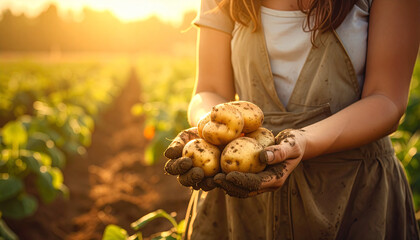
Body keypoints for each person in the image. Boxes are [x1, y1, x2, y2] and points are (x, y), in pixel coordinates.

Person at [164, 0, 420, 239]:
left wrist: (305, 141)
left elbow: (387, 100)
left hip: (354, 194)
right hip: (239, 188)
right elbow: (208, 89)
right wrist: (207, 128)